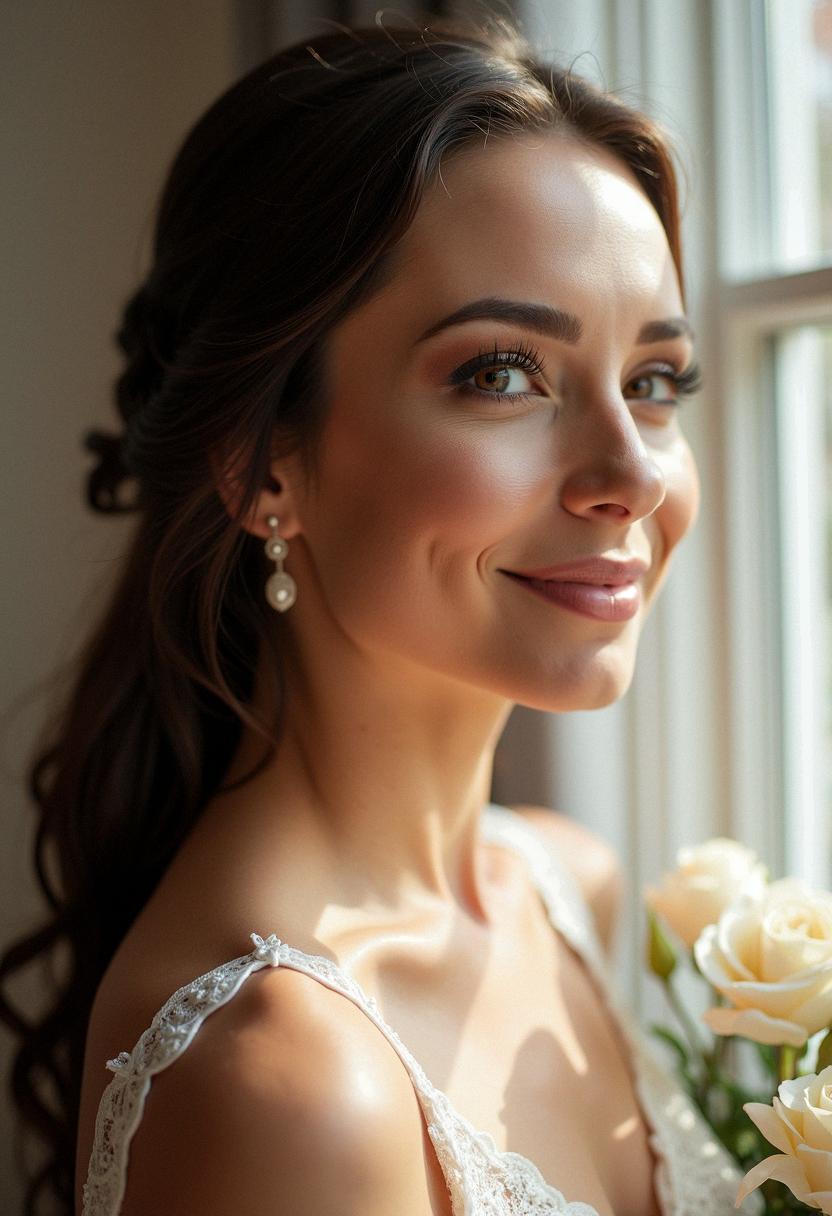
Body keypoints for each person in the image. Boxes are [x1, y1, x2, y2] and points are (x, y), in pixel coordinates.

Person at [0, 13, 762, 1216]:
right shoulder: (284, 1075)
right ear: (263, 466)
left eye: (654, 379)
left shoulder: (565, 887)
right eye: (501, 372)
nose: (629, 474)